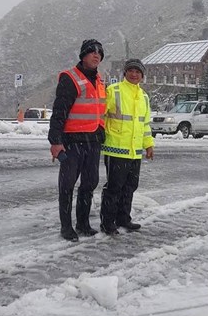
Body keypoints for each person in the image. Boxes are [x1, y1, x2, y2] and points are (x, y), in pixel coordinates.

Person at [48, 39, 107, 242]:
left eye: (99, 53)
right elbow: (59, 112)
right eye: (92, 52)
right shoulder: (70, 78)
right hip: (73, 141)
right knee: (67, 185)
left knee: (90, 183)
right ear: (83, 55)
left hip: (93, 140)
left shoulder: (100, 81)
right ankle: (67, 227)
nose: (96, 55)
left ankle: (83, 223)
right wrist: (55, 141)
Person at [99, 59, 155, 235]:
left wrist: (149, 145)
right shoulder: (113, 91)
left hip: (135, 151)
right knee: (114, 187)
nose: (134, 74)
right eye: (131, 71)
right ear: (125, 73)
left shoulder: (144, 97)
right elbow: (100, 114)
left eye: (138, 72)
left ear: (142, 75)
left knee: (130, 186)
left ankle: (124, 218)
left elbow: (144, 124)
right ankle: (107, 222)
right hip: (116, 148)